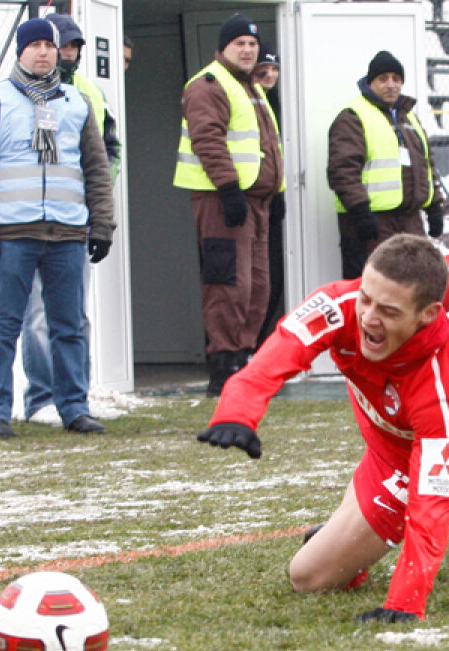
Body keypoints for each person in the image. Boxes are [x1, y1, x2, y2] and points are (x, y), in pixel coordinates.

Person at [196, 219, 449, 624]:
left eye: (388, 311)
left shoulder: (441, 392)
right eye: (367, 299)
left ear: (428, 314)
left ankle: (354, 545)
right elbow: (285, 348)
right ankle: (351, 539)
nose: (368, 318)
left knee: (307, 577)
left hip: (427, 462)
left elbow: (431, 503)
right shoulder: (342, 303)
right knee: (323, 560)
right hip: (383, 449)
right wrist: (238, 411)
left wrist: (406, 602)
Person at [0, 17, 114, 438]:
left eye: (50, 44)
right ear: (20, 50)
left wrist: (101, 224)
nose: (44, 52)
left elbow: (96, 168)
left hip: (66, 232)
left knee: (69, 326)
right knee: (4, 323)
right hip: (11, 233)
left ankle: (74, 407)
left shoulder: (75, 103)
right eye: (35, 44)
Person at [173, 14, 285, 397]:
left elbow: (267, 148)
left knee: (257, 286)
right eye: (240, 43)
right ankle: (223, 370)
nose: (249, 50)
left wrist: (278, 191)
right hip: (223, 200)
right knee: (227, 285)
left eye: (253, 44)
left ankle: (244, 361)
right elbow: (208, 139)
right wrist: (228, 189)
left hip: (257, 202)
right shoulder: (208, 85)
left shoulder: (251, 87)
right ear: (222, 49)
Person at [20, 13, 122, 424]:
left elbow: (109, 153)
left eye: (71, 46)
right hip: (35, 222)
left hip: (77, 220)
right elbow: (42, 160)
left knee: (75, 315)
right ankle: (41, 398)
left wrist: (96, 205)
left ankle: (75, 398)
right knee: (39, 315)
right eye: (56, 45)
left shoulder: (88, 94)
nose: (64, 53)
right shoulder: (37, 96)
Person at [328, 50, 444, 280]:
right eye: (383, 79)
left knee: (415, 285)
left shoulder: (408, 119)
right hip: (372, 221)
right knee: (374, 288)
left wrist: (434, 206)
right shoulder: (353, 117)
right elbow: (342, 171)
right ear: (370, 82)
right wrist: (360, 211)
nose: (391, 85)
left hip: (408, 218)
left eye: (396, 79)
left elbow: (427, 165)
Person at [254, 47, 287, 349]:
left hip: (274, 199)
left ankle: (260, 343)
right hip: (253, 200)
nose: (270, 75)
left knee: (273, 277)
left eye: (274, 69)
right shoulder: (250, 102)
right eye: (263, 69)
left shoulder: (281, 103)